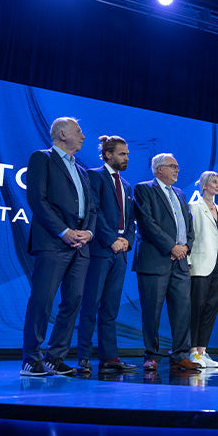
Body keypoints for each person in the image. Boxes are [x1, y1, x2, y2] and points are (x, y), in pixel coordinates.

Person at [21, 117, 96, 376]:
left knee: (73, 300)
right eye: (79, 130)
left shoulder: (82, 170)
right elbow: (37, 200)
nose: (83, 136)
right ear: (62, 134)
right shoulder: (42, 158)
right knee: (42, 299)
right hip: (53, 242)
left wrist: (87, 232)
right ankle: (31, 358)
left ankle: (55, 357)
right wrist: (63, 231)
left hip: (80, 247)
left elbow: (92, 209)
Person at [76, 135, 137, 374]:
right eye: (122, 154)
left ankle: (109, 357)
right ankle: (83, 356)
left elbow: (131, 220)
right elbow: (95, 211)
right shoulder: (94, 175)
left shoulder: (127, 185)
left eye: (128, 154)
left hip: (120, 253)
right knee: (90, 305)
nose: (126, 158)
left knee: (111, 307)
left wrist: (126, 241)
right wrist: (111, 239)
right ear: (108, 154)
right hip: (100, 250)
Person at [132, 153, 198, 372]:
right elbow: (147, 223)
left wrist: (186, 246)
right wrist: (172, 247)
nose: (177, 170)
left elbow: (188, 225)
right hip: (155, 261)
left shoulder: (180, 193)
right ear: (159, 169)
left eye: (177, 166)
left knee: (182, 311)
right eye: (173, 166)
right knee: (152, 311)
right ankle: (151, 355)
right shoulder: (144, 189)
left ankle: (180, 355)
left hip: (180, 263)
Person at [186, 171, 218, 368]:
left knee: (211, 308)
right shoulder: (194, 207)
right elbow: (189, 236)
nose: (217, 185)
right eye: (213, 182)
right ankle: (192, 350)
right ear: (204, 185)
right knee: (197, 308)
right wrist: (188, 261)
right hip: (200, 264)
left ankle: (202, 350)